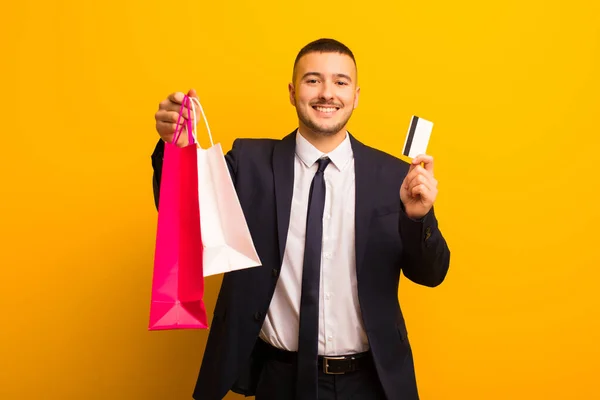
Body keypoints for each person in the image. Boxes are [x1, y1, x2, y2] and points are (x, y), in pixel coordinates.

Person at [151, 38, 450, 400]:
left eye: (340, 82)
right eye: (313, 80)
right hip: (277, 378)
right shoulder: (249, 163)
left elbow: (431, 274)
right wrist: (174, 150)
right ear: (293, 92)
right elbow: (188, 216)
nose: (327, 93)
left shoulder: (394, 177)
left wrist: (417, 218)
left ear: (356, 95)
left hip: (369, 383)